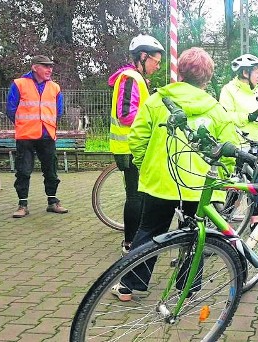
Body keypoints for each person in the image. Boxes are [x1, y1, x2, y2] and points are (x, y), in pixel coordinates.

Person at [111, 47, 239, 301]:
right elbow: (228, 148)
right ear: (207, 78)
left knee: (149, 231)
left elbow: (137, 138)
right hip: (199, 185)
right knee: (194, 235)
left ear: (179, 71)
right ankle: (188, 287)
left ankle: (131, 285)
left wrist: (146, 163)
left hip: (160, 179)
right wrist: (225, 177)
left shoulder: (158, 100)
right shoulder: (214, 108)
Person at [108, 34, 165, 255]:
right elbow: (125, 114)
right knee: (135, 196)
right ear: (143, 56)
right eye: (156, 61)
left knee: (139, 195)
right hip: (130, 147)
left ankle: (136, 240)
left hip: (132, 146)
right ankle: (130, 244)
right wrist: (153, 122)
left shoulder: (135, 78)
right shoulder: (130, 77)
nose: (157, 66)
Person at [6, 55, 67, 218]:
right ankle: (22, 204)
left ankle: (53, 202)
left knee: (51, 170)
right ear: (34, 67)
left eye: (51, 66)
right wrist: (23, 125)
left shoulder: (55, 87)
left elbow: (58, 111)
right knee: (23, 171)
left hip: (47, 135)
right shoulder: (19, 84)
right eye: (45, 66)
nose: (50, 70)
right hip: (26, 136)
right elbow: (11, 109)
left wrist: (49, 125)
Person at [219, 54, 258, 142]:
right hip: (240, 146)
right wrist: (248, 117)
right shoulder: (228, 90)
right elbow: (224, 117)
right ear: (245, 73)